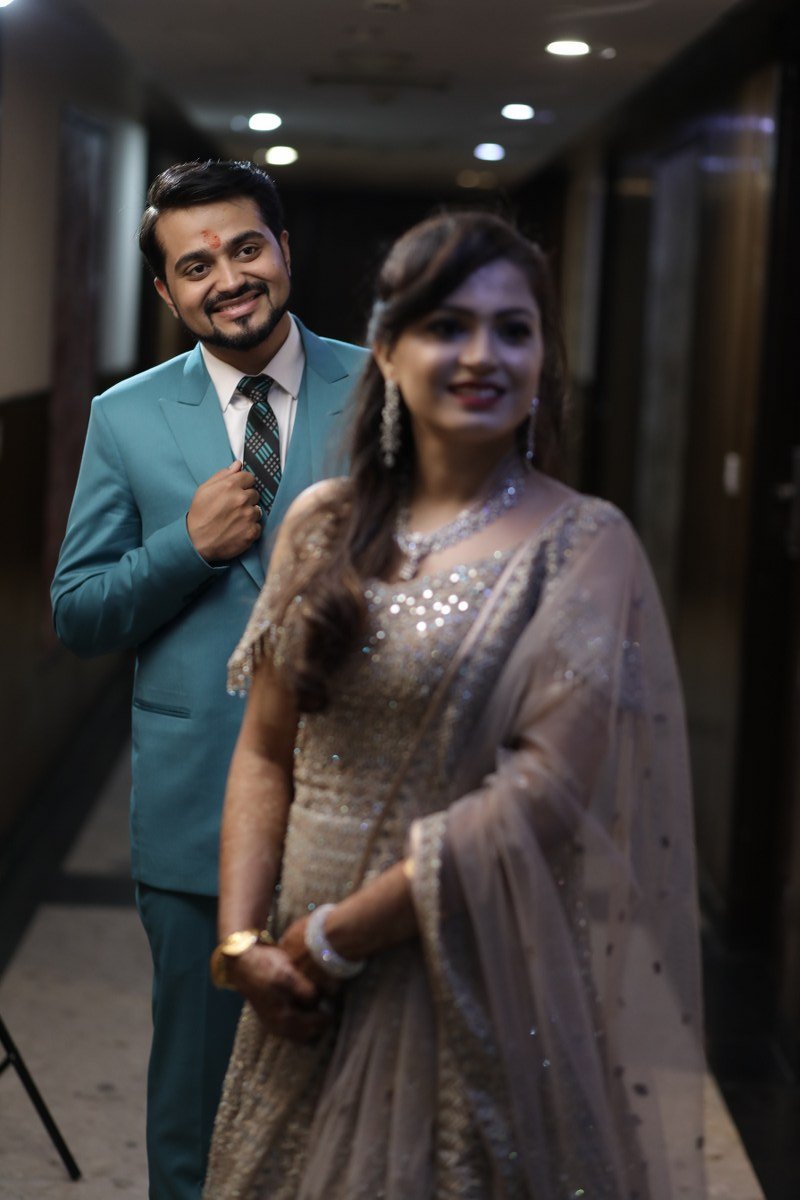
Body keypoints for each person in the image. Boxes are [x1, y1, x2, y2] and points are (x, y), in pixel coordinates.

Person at [203, 210, 708, 1199]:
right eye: (447, 326)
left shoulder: (582, 543)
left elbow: (539, 797)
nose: (482, 354)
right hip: (294, 987)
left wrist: (336, 938)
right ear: (388, 352)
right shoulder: (322, 523)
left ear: (541, 359)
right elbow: (264, 749)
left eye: (513, 329)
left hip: (473, 966)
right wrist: (244, 945)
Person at [50, 159, 368, 1199]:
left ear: (283, 249)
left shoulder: (384, 389)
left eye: (244, 248)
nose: (228, 279)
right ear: (166, 291)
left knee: (356, 1103)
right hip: (195, 812)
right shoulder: (127, 416)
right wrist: (183, 548)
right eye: (196, 266)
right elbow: (79, 612)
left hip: (358, 805)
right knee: (195, 1114)